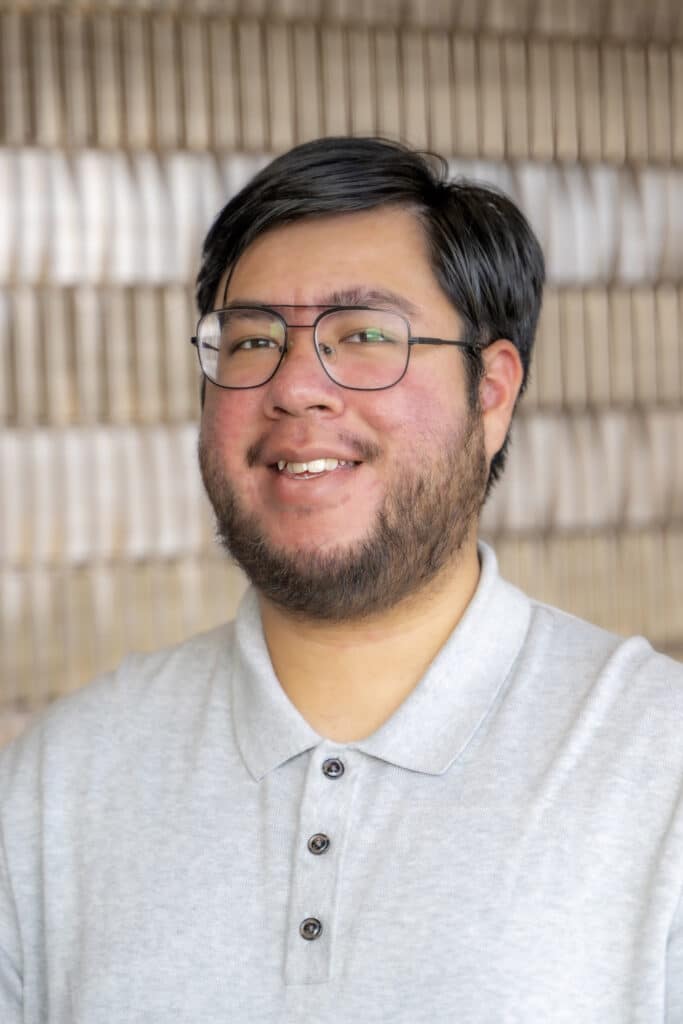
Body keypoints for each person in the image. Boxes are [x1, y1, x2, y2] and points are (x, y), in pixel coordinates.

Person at [1, 137, 681, 1023]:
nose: (295, 388)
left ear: (492, 393)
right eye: (252, 340)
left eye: (362, 336)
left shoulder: (656, 765)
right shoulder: (60, 783)